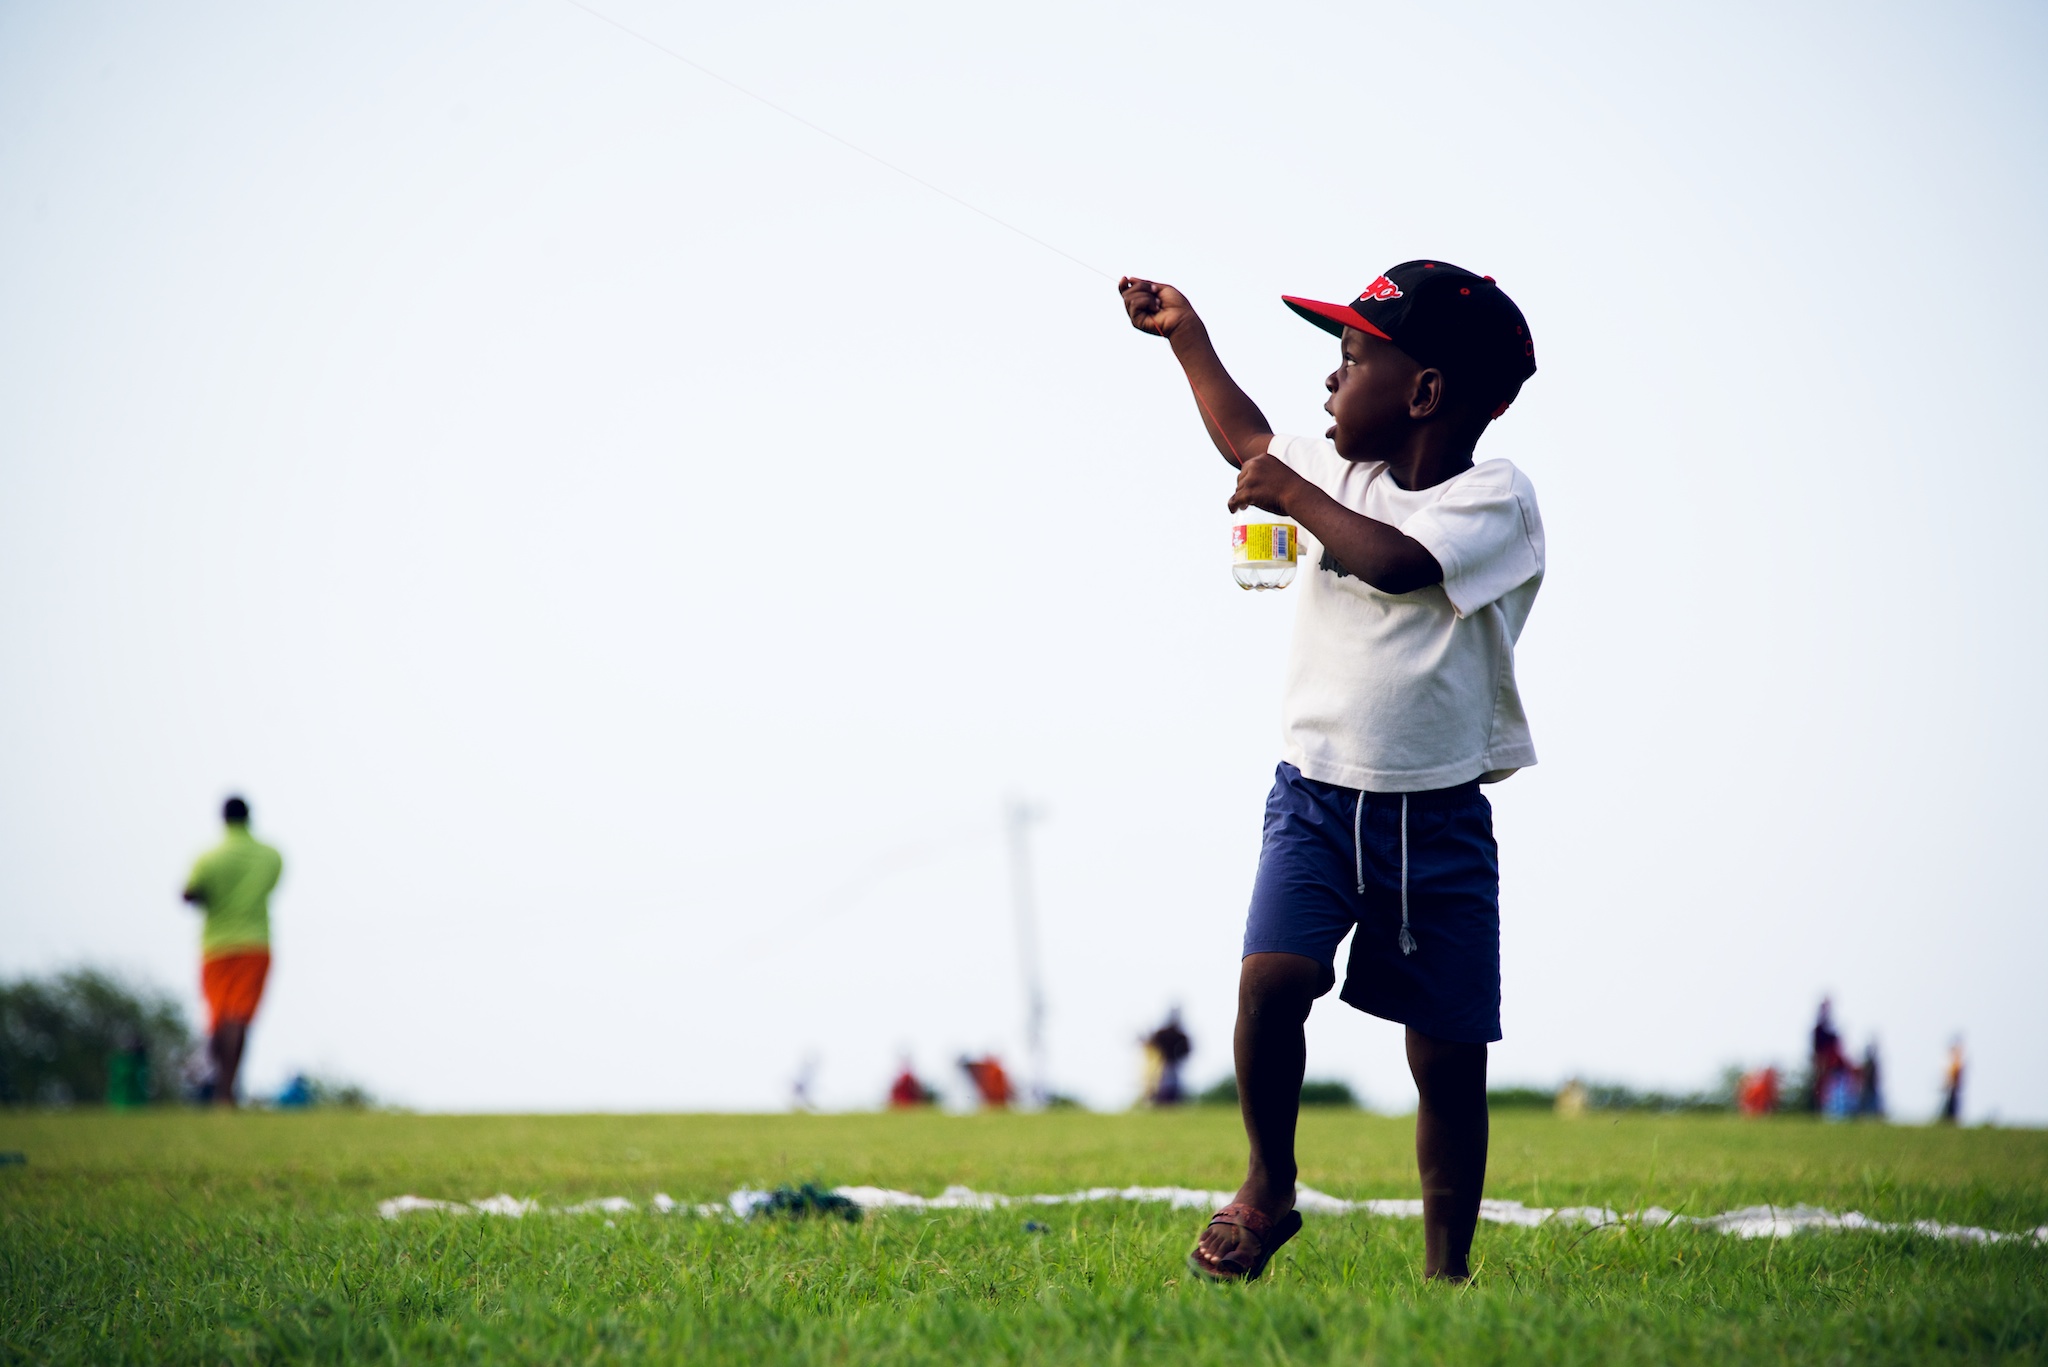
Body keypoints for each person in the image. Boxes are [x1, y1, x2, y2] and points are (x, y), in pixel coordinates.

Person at [1119, 260, 1542, 1283]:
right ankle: (1266, 1183)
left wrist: (1292, 491)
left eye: (1350, 358)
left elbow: (1396, 562)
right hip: (1311, 796)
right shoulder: (1332, 467)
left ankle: (1445, 1272)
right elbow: (1248, 442)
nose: (1328, 380)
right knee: (1272, 980)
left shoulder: (1495, 501)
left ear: (1425, 392)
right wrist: (1186, 338)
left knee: (1443, 1058)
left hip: (1435, 819)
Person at [181, 795, 283, 1107]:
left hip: (216, 946)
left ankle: (208, 1079)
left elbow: (189, 894)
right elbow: (269, 885)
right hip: (255, 943)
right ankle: (226, 1091)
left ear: (223, 818)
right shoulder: (270, 856)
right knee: (239, 1018)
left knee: (218, 1017)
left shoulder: (209, 858)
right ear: (249, 817)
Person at [1141, 1009, 1193, 1106]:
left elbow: (1186, 1049)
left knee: (1171, 1084)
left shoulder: (1169, 1034)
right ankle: (1163, 1103)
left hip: (1171, 1063)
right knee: (1165, 1084)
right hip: (1164, 1064)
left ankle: (1168, 1103)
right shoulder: (1167, 1034)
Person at [1941, 1038, 1964, 1123]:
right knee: (1950, 1109)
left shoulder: (1956, 1062)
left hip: (1953, 1089)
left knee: (1951, 1109)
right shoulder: (1954, 1062)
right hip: (1952, 1089)